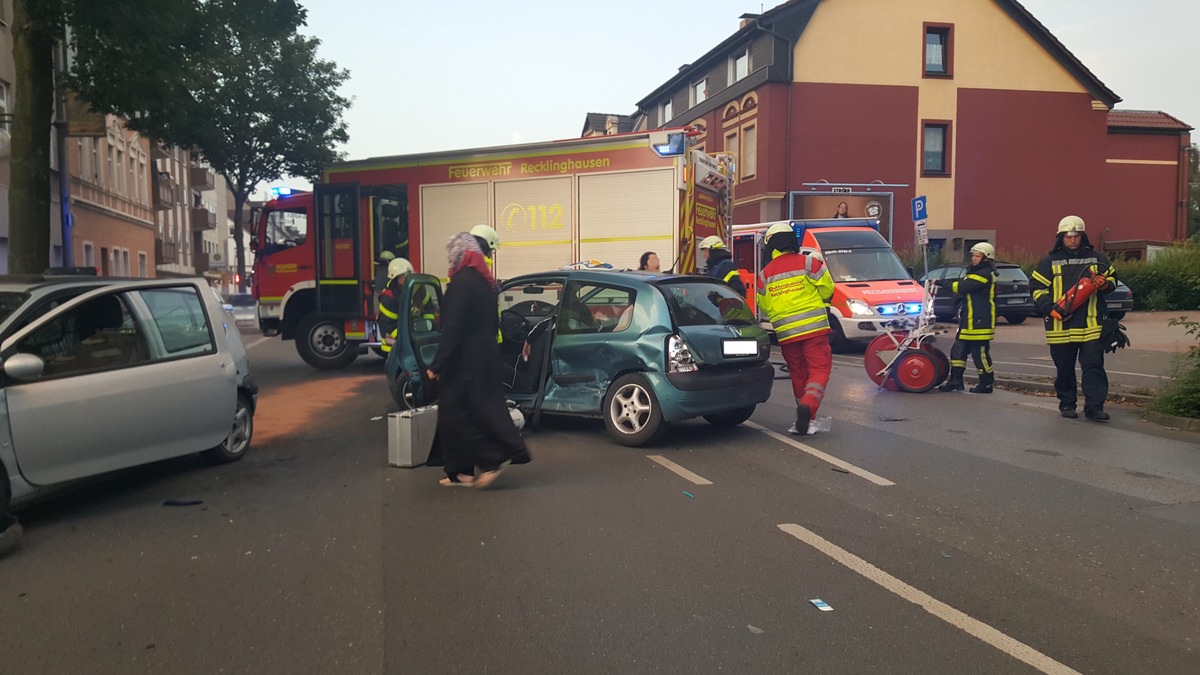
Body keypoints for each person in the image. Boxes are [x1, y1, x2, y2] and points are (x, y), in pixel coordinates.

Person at [426, 232, 530, 488]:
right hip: (484, 356)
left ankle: (491, 459)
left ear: (459, 255)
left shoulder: (462, 283)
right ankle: (459, 471)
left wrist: (437, 363)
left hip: (464, 360)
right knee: (472, 410)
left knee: (459, 414)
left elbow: (453, 327)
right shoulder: (484, 283)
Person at [1031, 215, 1117, 421]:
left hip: (1091, 325)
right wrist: (1049, 308)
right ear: (1061, 237)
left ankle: (1094, 407)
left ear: (1083, 237)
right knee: (1065, 368)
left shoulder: (1097, 259)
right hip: (1060, 325)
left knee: (1093, 367)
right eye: (1068, 236)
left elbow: (1113, 281)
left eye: (1076, 236)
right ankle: (1067, 404)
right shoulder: (1048, 262)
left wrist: (1104, 284)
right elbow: (1036, 288)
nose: (1072, 240)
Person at [757, 223, 835, 435]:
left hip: (786, 335)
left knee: (798, 374)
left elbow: (763, 304)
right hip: (814, 331)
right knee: (819, 370)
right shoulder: (809, 262)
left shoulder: (765, 274)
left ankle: (804, 417)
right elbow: (828, 288)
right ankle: (808, 408)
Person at [936, 242, 997, 393]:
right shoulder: (975, 272)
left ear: (986, 259)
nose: (974, 259)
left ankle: (987, 383)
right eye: (973, 256)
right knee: (958, 351)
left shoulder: (985, 274)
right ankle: (956, 381)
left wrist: (940, 282)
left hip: (981, 320)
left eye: (978, 256)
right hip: (968, 320)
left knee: (980, 353)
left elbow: (963, 287)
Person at [376, 257, 413, 353]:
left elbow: (429, 309)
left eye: (408, 274)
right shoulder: (388, 298)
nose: (407, 277)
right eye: (403, 275)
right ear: (396, 278)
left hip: (411, 341)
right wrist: (407, 338)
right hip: (394, 346)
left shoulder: (416, 290)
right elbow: (389, 326)